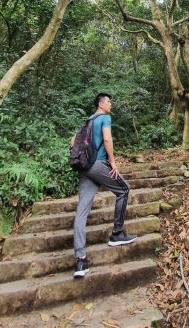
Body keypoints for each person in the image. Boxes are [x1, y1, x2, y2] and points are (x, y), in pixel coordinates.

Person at [73, 92, 137, 278]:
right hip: (97, 164)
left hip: (83, 168)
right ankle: (117, 233)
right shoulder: (104, 118)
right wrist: (113, 162)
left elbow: (73, 142)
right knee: (124, 189)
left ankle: (80, 260)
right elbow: (107, 139)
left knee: (81, 212)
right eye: (109, 101)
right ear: (101, 104)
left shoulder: (87, 121)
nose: (111, 105)